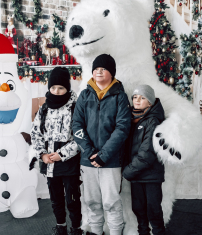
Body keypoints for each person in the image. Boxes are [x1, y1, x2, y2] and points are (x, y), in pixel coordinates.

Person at [72, 54, 131, 235]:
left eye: (103, 68)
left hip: (111, 161)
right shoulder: (84, 95)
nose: (99, 71)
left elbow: (122, 128)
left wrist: (104, 155)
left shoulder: (120, 96)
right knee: (92, 202)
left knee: (111, 202)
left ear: (111, 73)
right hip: (87, 160)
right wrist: (90, 152)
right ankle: (96, 232)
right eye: (96, 68)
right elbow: (76, 125)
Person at [31, 67, 82, 235]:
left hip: (68, 162)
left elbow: (80, 137)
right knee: (56, 198)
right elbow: (36, 134)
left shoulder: (75, 107)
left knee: (72, 199)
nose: (56, 91)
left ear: (67, 88)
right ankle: (61, 227)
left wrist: (62, 154)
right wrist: (42, 154)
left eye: (61, 88)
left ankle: (76, 228)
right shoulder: (44, 109)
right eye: (53, 88)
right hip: (49, 162)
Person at [122, 84, 166, 235]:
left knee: (153, 209)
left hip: (151, 175)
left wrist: (127, 171)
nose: (137, 101)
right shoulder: (131, 118)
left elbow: (147, 152)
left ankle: (159, 232)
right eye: (135, 97)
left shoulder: (153, 120)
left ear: (150, 102)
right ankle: (143, 232)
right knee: (138, 209)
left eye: (142, 98)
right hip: (136, 175)